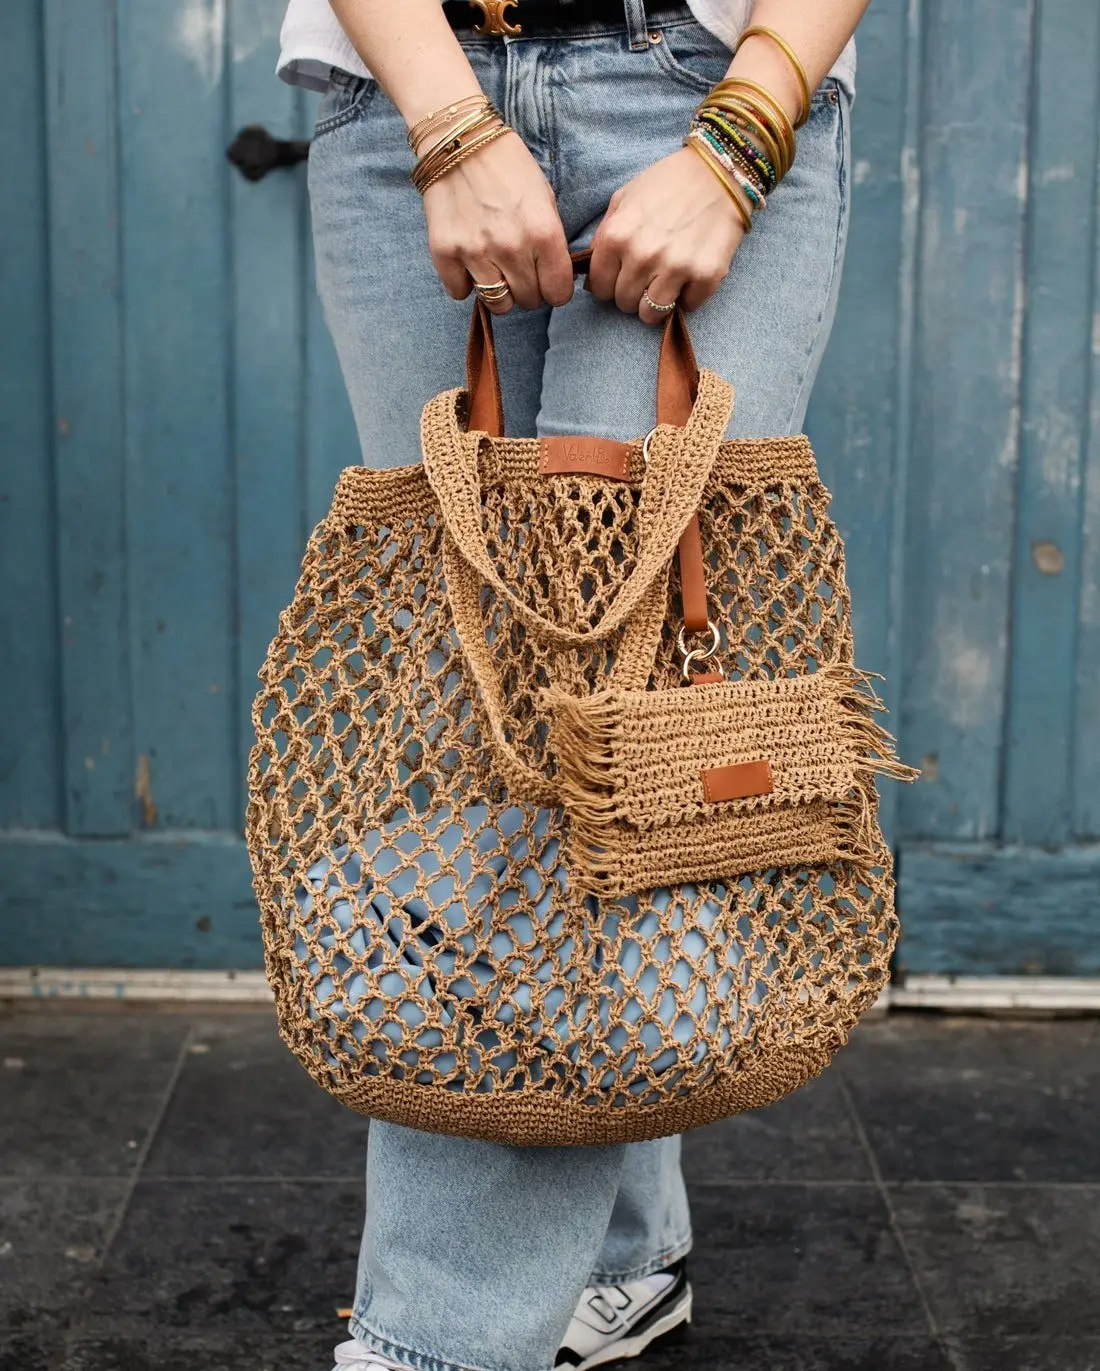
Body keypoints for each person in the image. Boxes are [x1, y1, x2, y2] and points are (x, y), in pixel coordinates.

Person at [275, 2, 867, 1368]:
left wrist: (737, 139)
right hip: (404, 97)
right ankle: (621, 1253)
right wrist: (445, 119)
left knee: (574, 726)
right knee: (487, 700)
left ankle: (439, 1339)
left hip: (706, 83)